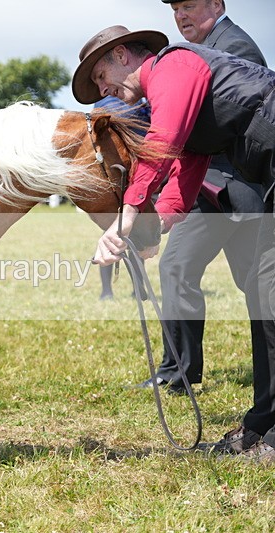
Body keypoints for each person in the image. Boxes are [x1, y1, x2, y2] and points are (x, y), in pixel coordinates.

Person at [71, 25, 275, 463]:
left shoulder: (173, 65)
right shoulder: (174, 94)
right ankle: (264, 423)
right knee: (265, 295)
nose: (104, 89)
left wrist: (122, 223)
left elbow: (161, 145)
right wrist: (147, 229)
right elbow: (186, 171)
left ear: (124, 55)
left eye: (102, 76)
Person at [132, 0, 267, 396]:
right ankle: (178, 369)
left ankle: (186, 370)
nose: (181, 16)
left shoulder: (235, 47)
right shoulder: (197, 50)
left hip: (236, 189)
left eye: (189, 5)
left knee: (256, 287)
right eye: (176, 9)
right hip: (205, 191)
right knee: (177, 268)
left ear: (217, 4)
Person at [92, 95, 152, 301]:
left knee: (116, 235)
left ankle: (111, 291)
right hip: (128, 175)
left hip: (117, 177)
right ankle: (129, 289)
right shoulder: (137, 101)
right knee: (128, 235)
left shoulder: (101, 104)